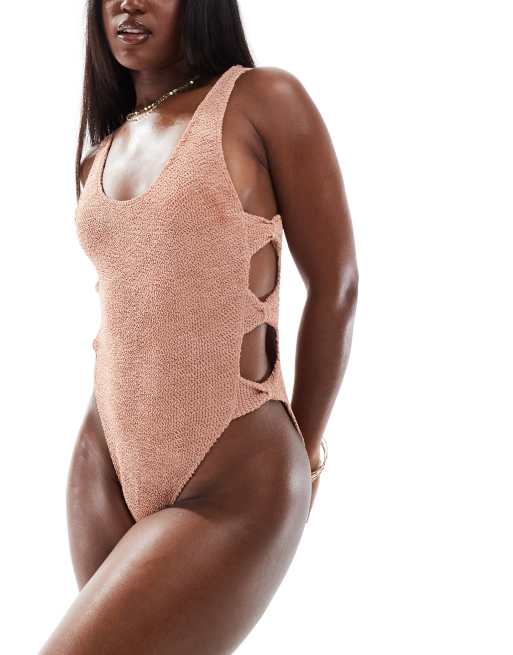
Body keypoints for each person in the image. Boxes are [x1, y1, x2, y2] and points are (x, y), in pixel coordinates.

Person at [40, 1, 358, 652]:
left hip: (233, 474)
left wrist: (305, 455)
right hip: (103, 466)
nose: (128, 3)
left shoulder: (261, 102)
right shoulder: (98, 155)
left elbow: (337, 286)